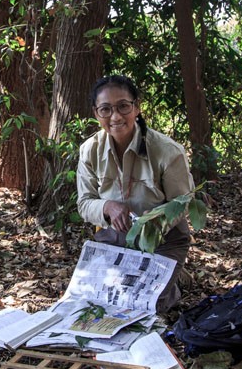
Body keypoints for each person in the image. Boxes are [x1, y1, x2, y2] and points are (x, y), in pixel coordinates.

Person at [76, 74, 195, 313]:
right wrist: (107, 207)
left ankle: (174, 280)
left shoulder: (167, 151)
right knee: (95, 301)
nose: (116, 116)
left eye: (123, 106)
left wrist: (153, 223)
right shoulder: (90, 150)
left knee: (143, 306)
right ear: (96, 114)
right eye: (106, 109)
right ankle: (171, 274)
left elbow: (183, 203)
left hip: (163, 238)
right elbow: (85, 203)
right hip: (117, 236)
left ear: (137, 108)